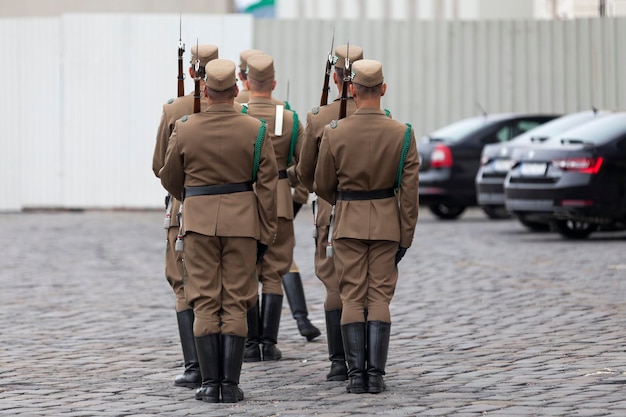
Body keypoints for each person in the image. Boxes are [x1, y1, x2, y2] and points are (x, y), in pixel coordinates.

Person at [159, 58, 278, 403]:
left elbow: (168, 177)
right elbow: (267, 186)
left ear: (206, 91)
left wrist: (194, 198)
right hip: (242, 224)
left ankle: (210, 385)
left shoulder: (185, 127)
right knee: (237, 304)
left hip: (198, 224)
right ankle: (231, 384)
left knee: (205, 302)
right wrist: (264, 232)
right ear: (236, 90)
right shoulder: (255, 129)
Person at [314, 59, 419, 394]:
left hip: (348, 223)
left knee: (351, 295)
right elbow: (409, 192)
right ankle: (375, 375)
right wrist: (405, 235)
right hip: (388, 224)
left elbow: (322, 184)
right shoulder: (403, 133)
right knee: (379, 298)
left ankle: (355, 375)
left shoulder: (335, 131)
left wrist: (346, 200)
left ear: (353, 90)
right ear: (383, 90)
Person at [239, 53, 318, 363]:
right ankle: (268, 344)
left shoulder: (239, 112)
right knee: (274, 272)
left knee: (245, 271)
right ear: (272, 83)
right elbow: (306, 162)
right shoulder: (289, 117)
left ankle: (249, 344)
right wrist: (288, 180)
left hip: (245, 200)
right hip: (281, 200)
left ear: (245, 82)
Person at [151, 43, 218, 389]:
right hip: (230, 208)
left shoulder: (174, 109)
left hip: (186, 205)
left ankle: (195, 365)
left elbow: (159, 166)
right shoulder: (236, 107)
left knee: (182, 283)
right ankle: (219, 366)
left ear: (192, 71)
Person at [296, 44, 363, 381]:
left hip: (331, 210)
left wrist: (322, 190)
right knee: (366, 287)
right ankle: (363, 363)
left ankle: (339, 363)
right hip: (370, 209)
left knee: (335, 287)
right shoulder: (385, 118)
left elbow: (305, 171)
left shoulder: (319, 117)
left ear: (336, 80)